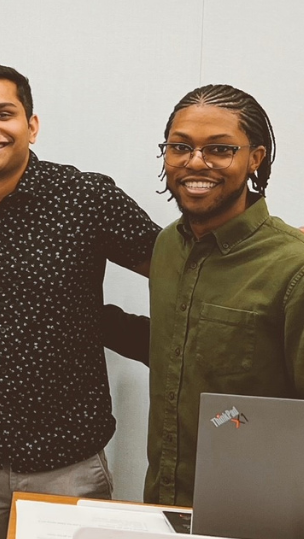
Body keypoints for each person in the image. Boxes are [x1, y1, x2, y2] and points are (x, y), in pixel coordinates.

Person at [0, 60, 161, 539]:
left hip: (68, 462)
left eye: (3, 114)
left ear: (31, 125)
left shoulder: (85, 196)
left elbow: (178, 270)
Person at [144, 84, 304, 506]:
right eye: (180, 147)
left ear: (255, 158)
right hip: (161, 504)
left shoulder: (293, 267)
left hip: (256, 513)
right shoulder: (166, 248)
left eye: (219, 149)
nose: (196, 162)